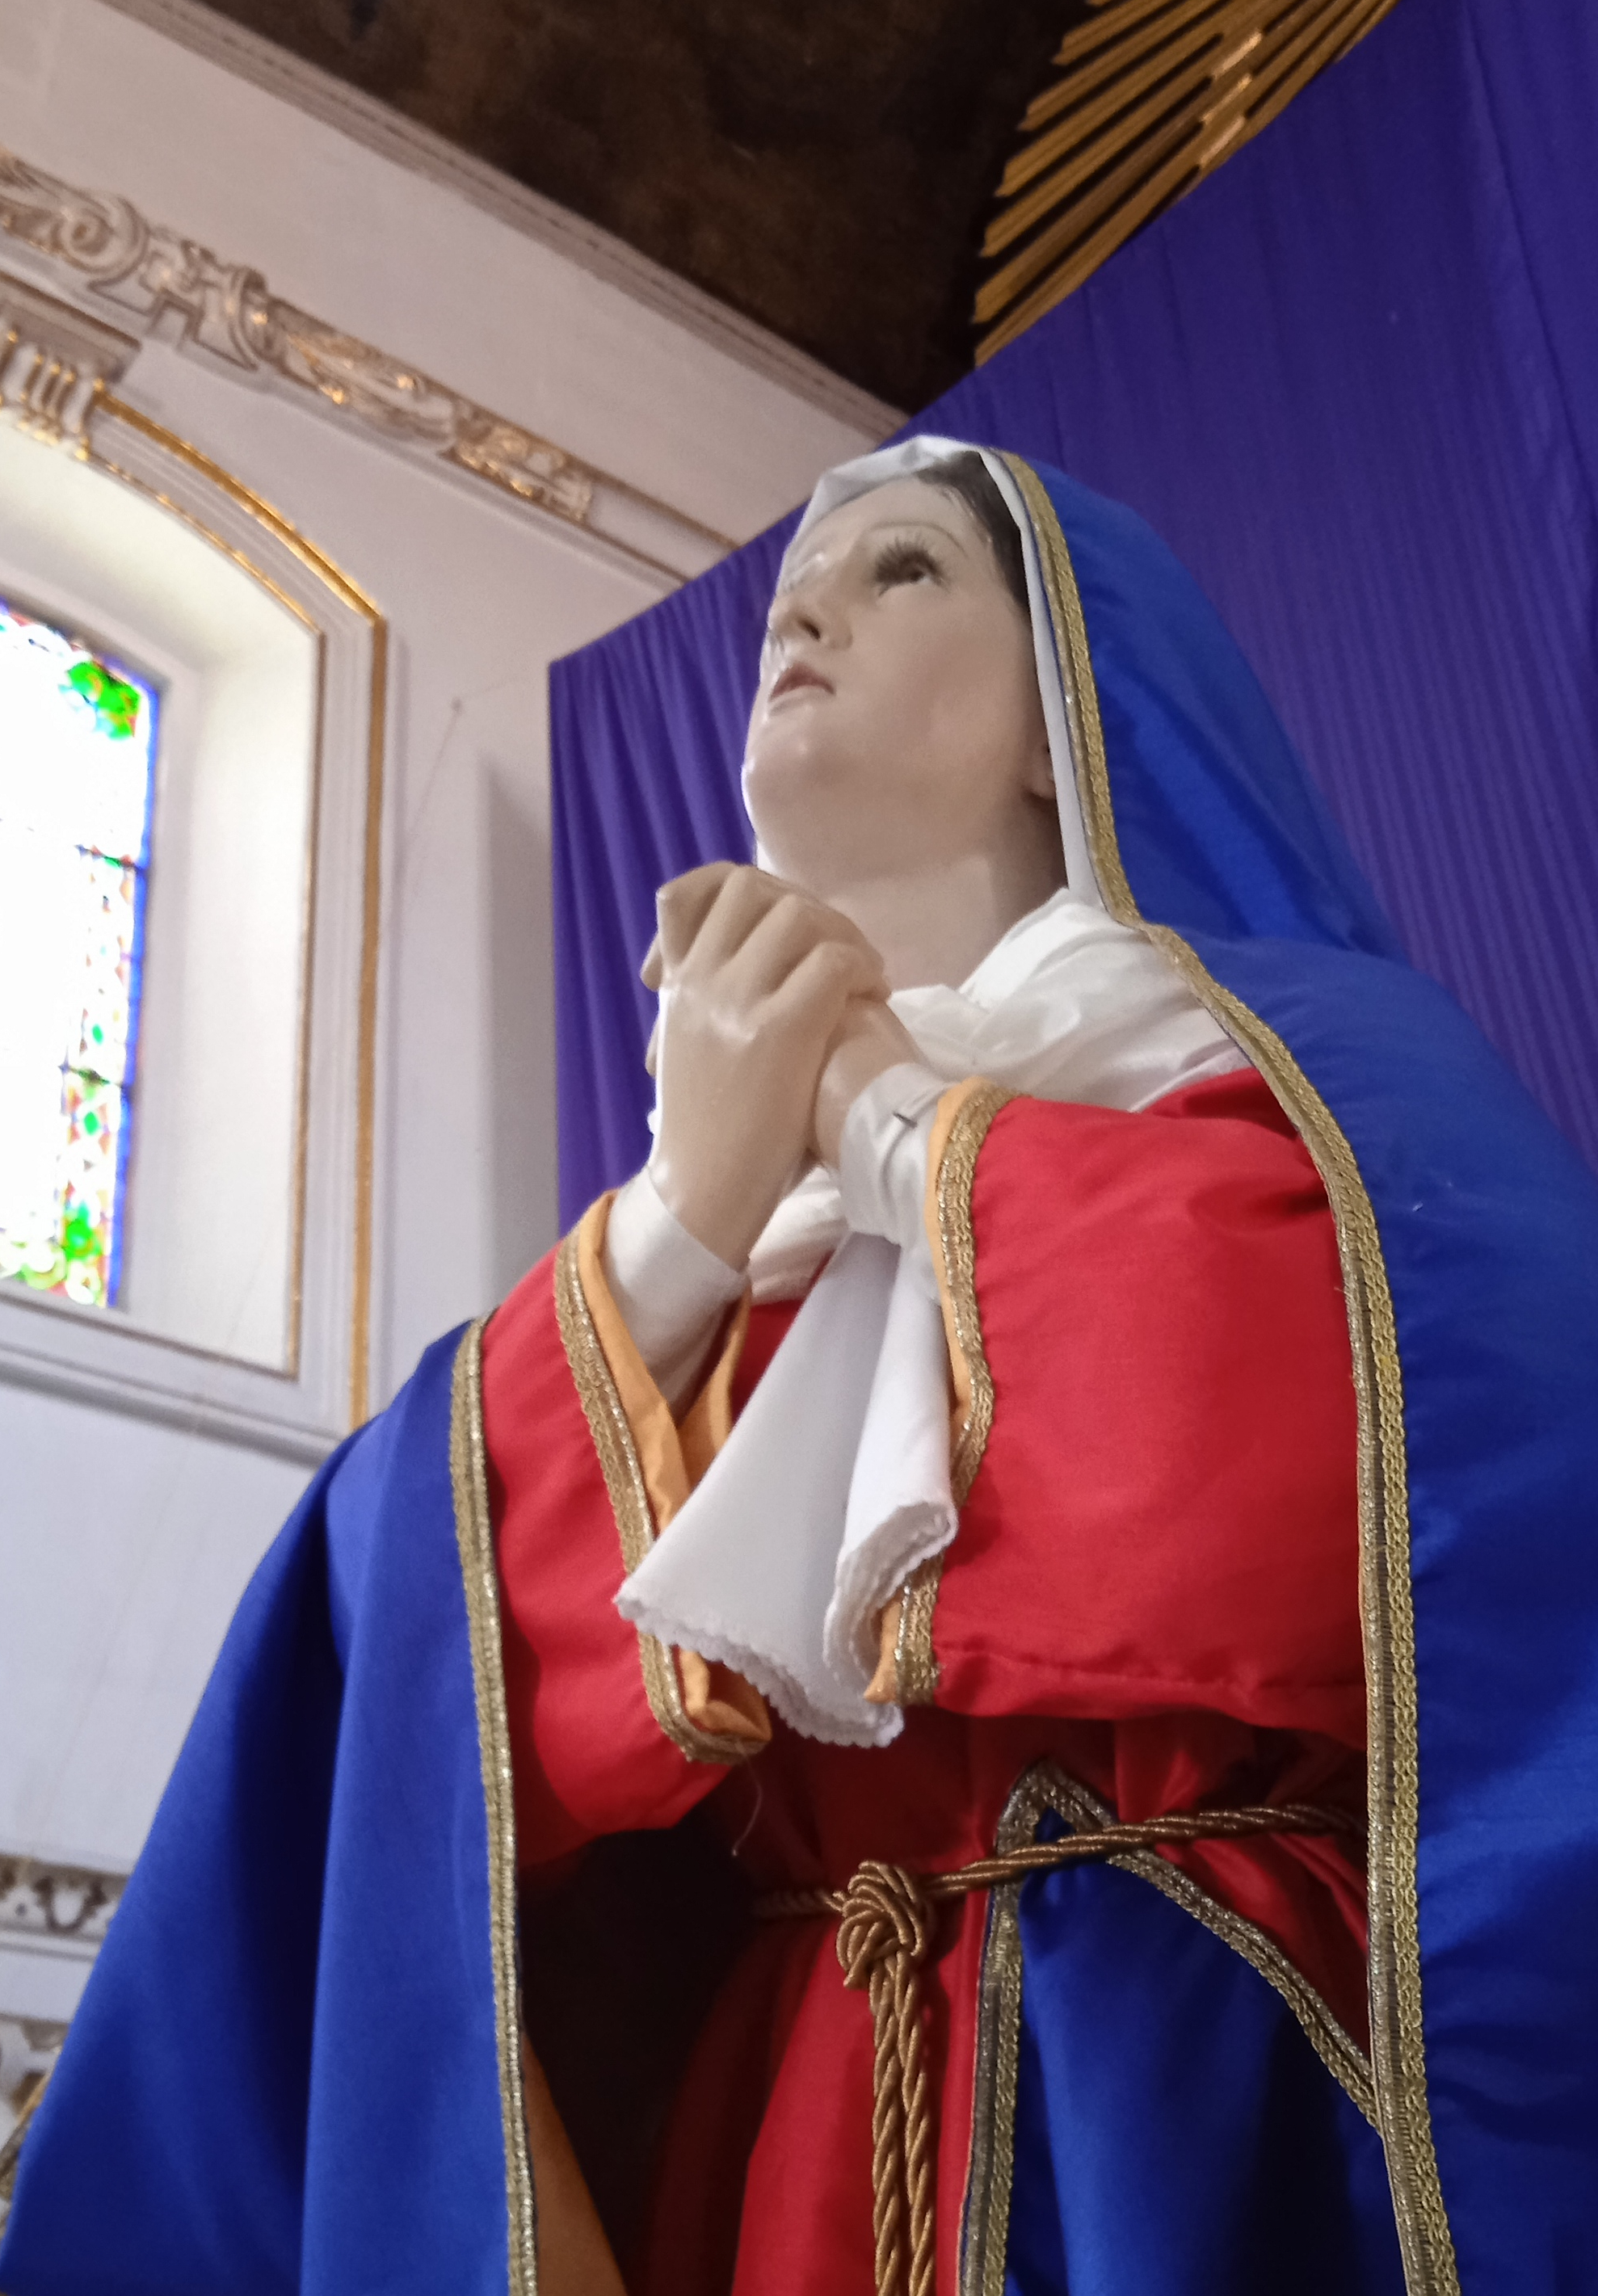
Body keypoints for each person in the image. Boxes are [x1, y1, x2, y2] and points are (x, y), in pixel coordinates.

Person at [3, 440, 1596, 2296]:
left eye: (900, 567)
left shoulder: (1320, 1097)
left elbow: (1350, 1497)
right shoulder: (719, 1242)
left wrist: (872, 1100)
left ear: (1066, 711)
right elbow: (440, 1699)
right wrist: (686, 1215)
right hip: (792, 2136)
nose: (805, 613)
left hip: (1186, 2093)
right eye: (786, 594)